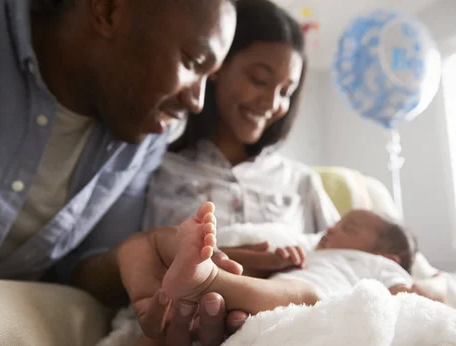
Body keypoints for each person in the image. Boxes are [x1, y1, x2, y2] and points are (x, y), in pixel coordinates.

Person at [0, 0, 248, 346]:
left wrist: (132, 254)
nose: (198, 102)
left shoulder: (145, 133)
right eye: (192, 63)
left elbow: (79, 266)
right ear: (108, 12)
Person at [86, 204, 424, 346]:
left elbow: (399, 304)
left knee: (308, 295)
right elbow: (264, 280)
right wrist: (284, 259)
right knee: (168, 311)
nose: (331, 229)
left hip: (311, 318)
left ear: (388, 256)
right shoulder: (310, 254)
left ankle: (204, 278)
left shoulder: (380, 267)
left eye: (346, 227)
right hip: (247, 317)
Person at [144, 0, 341, 273]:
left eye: (286, 92)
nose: (272, 103)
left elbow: (349, 257)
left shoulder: (301, 182)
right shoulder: (158, 172)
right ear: (217, 67)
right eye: (259, 79)